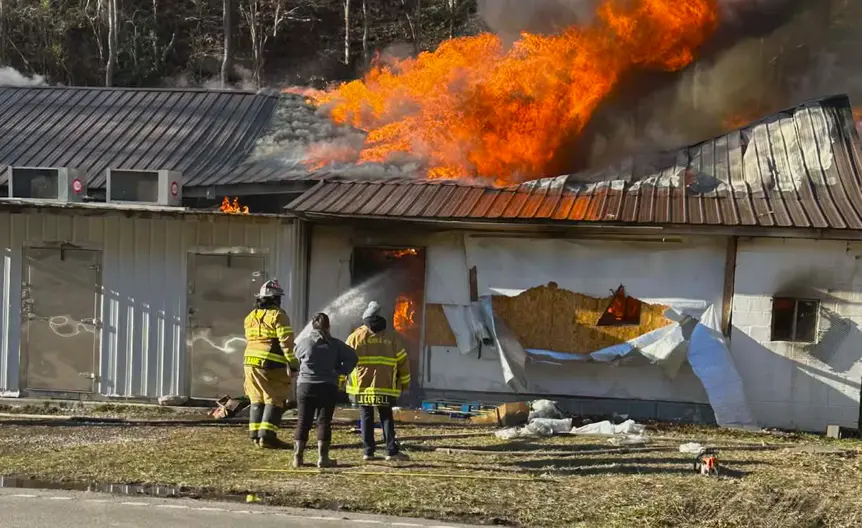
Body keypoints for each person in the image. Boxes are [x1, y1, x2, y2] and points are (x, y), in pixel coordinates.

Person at [345, 301, 411, 462]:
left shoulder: (355, 337)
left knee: (366, 416)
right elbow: (403, 362)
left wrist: (340, 381)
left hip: (362, 387)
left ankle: (368, 452)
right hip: (386, 386)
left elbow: (344, 360)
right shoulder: (392, 337)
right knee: (386, 417)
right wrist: (405, 383)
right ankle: (391, 451)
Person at [292, 313, 358, 468]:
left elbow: (296, 358)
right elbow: (353, 358)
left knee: (303, 421)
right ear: (329, 327)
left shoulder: (303, 343)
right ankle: (323, 458)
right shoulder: (335, 344)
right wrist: (341, 371)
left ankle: (297, 458)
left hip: (305, 386)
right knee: (324, 422)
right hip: (328, 386)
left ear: (312, 326)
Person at [243, 279, 297, 449]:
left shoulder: (250, 316)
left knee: (257, 396)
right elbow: (286, 342)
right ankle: (267, 437)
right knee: (275, 397)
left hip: (249, 362)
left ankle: (255, 435)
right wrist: (293, 363)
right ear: (275, 299)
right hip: (270, 363)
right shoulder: (278, 315)